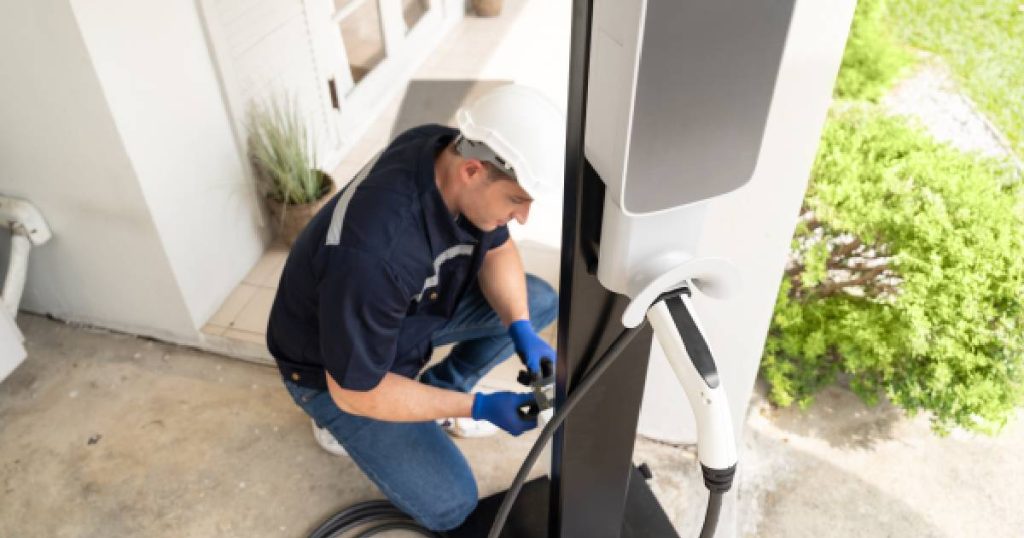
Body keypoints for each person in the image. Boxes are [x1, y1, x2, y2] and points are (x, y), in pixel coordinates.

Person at [266, 84, 565, 531]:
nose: (523, 216)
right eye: (516, 200)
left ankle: (440, 390)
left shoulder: (438, 147)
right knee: (453, 504)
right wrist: (479, 408)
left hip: (406, 310)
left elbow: (499, 251)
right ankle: (337, 424)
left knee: (537, 300)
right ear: (471, 171)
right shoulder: (375, 255)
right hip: (330, 372)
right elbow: (356, 391)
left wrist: (520, 328)